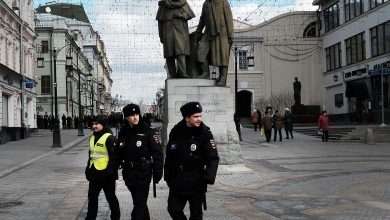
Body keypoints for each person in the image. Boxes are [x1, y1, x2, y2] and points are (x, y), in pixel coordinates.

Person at [164, 102, 219, 220]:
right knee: (173, 209)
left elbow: (213, 157)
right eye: (195, 116)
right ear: (187, 118)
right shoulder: (176, 131)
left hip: (196, 181)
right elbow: (169, 157)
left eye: (200, 116)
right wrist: (168, 177)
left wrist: (209, 177)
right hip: (178, 181)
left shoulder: (205, 133)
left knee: (196, 215)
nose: (199, 119)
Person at [118, 104, 164, 220]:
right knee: (140, 204)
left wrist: (158, 173)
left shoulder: (147, 130)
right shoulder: (123, 132)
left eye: (137, 114)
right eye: (132, 115)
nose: (135, 117)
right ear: (126, 117)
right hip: (129, 174)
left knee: (138, 207)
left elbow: (158, 153)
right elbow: (118, 153)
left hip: (143, 173)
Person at [85, 115, 120, 220]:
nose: (94, 126)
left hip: (107, 175)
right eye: (93, 124)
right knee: (92, 198)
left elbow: (115, 158)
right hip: (95, 173)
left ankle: (115, 217)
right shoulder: (92, 138)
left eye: (97, 124)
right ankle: (90, 218)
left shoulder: (110, 138)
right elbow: (91, 155)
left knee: (111, 198)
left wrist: (108, 172)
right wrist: (88, 169)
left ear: (103, 125)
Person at [194, 0, 234, 86]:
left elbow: (229, 19)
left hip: (222, 33)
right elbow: (202, 19)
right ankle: (206, 72)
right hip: (208, 32)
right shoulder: (206, 4)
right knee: (200, 51)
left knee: (222, 56)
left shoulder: (224, 2)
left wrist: (231, 35)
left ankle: (222, 78)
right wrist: (198, 32)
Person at [156, 0, 195, 78]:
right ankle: (172, 74)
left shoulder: (183, 3)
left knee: (180, 52)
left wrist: (182, 16)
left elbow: (189, 15)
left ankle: (182, 73)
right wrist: (161, 36)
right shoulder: (163, 5)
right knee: (169, 54)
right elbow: (160, 22)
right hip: (167, 31)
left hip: (180, 30)